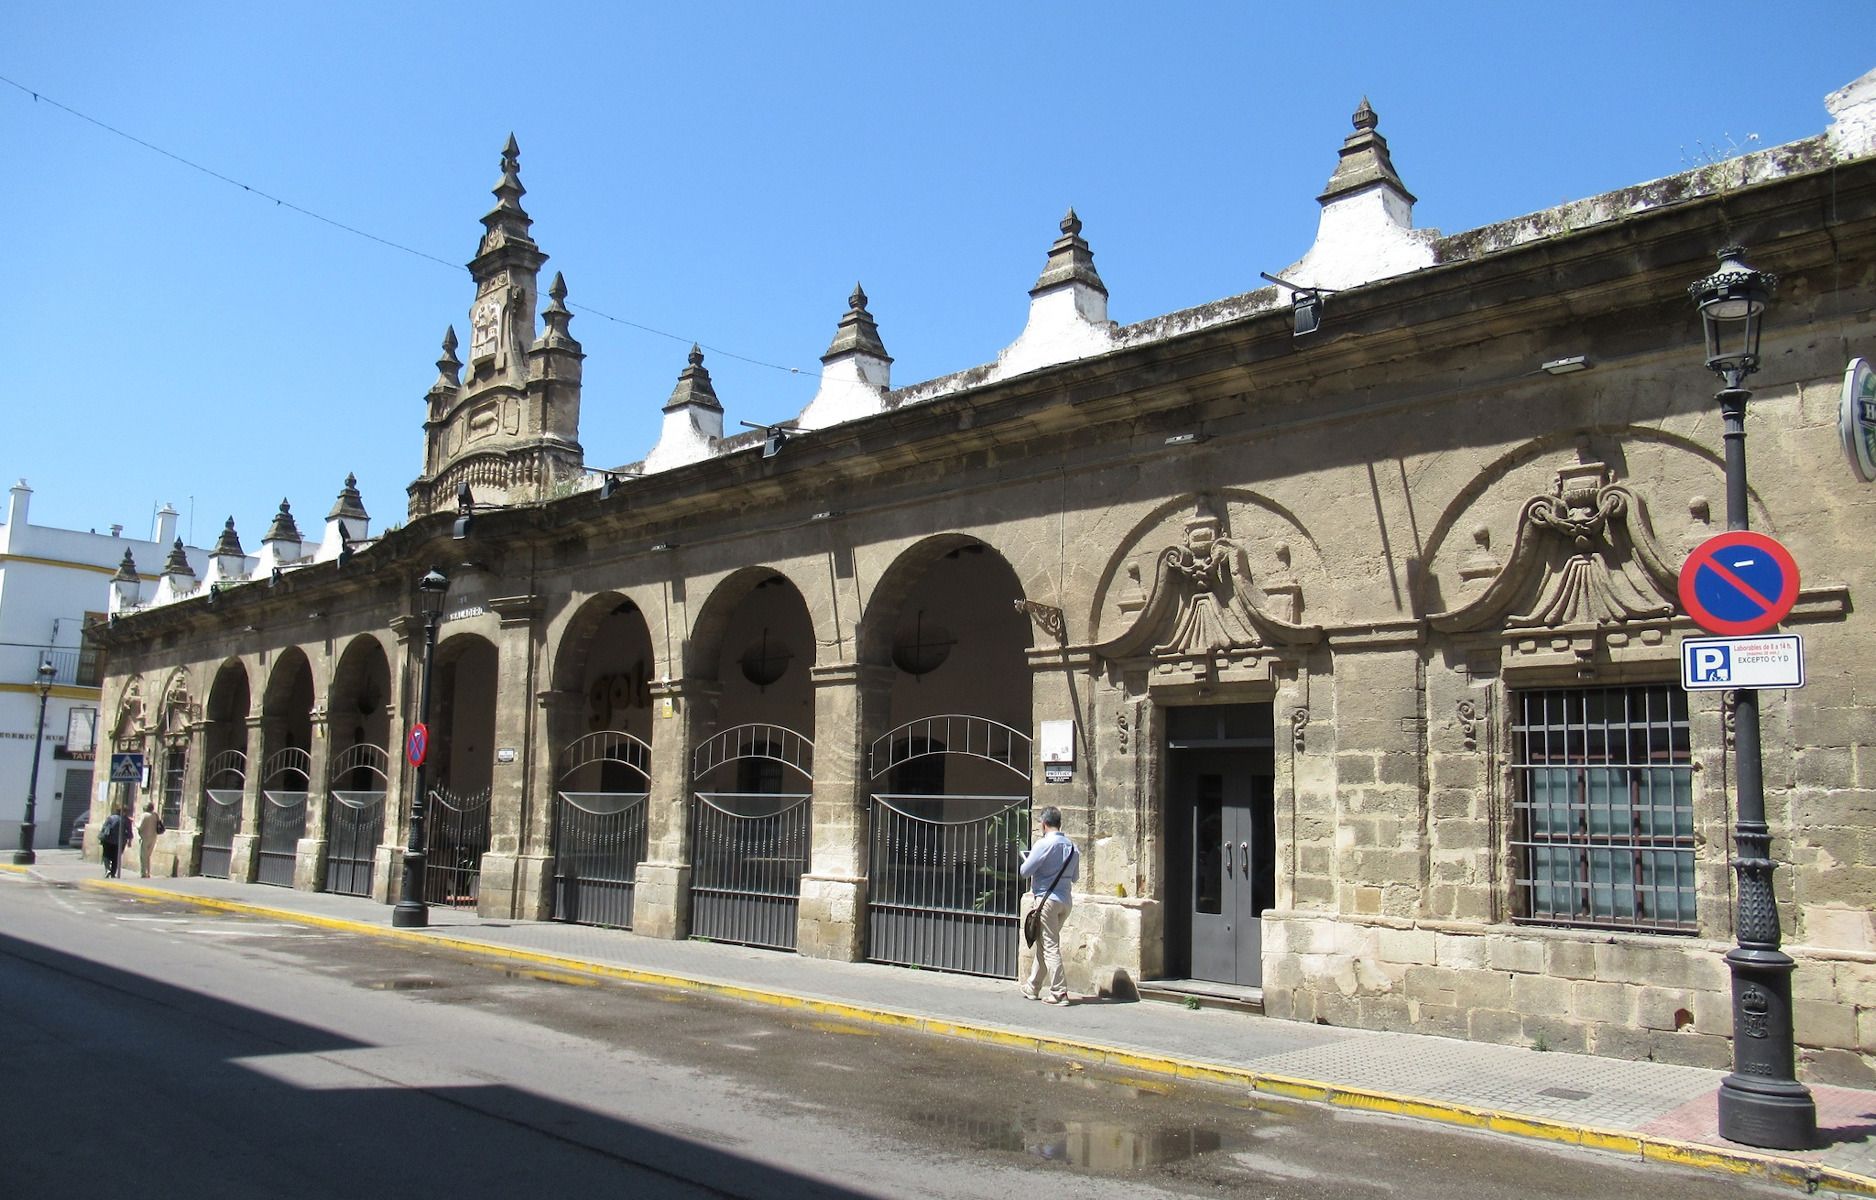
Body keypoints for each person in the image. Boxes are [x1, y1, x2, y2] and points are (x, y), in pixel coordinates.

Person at [1017, 805, 1079, 1005]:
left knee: (1050, 946)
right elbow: (1075, 877)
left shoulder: (1043, 844)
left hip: (1046, 900)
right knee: (1045, 943)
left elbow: (1025, 871)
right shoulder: (1072, 847)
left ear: (1044, 824)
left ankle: (1059, 992)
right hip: (1065, 901)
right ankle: (1033, 986)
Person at [98, 805, 129, 879]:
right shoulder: (126, 820)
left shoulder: (110, 818)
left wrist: (101, 837)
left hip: (108, 840)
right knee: (116, 858)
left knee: (106, 855)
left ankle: (107, 869)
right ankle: (113, 873)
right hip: (119, 842)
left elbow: (104, 828)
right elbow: (128, 832)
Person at [136, 802, 165, 878]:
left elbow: (140, 826)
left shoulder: (144, 815)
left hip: (144, 837)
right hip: (153, 837)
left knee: (143, 856)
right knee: (148, 856)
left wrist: (135, 823)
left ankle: (143, 873)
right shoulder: (155, 815)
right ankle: (148, 872)